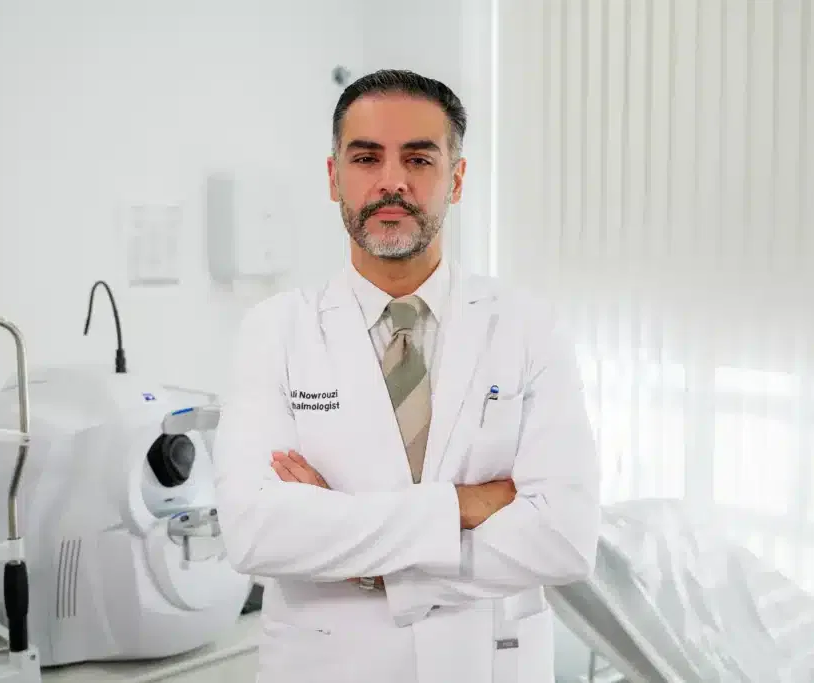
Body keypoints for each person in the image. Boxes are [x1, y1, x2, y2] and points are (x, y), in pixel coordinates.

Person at [212, 69, 600, 683]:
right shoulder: (275, 331)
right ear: (335, 176)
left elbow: (566, 538)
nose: (392, 181)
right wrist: (466, 506)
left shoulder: (530, 328)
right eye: (366, 158)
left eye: (418, 159)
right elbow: (255, 532)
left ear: (457, 178)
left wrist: (357, 556)